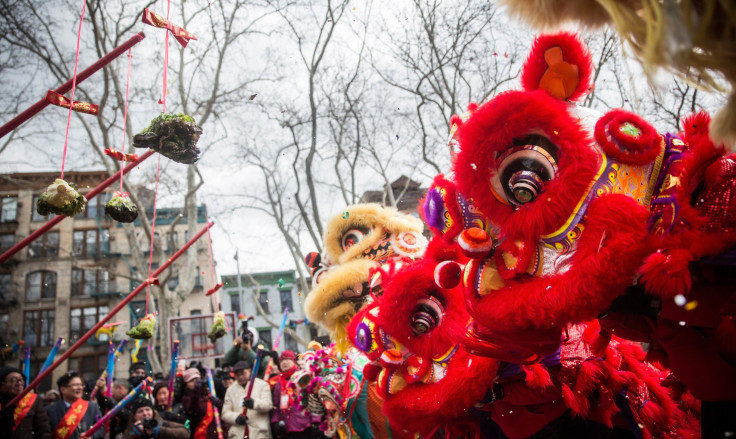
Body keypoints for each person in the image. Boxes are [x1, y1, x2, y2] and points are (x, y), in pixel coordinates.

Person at [221, 361, 272, 439]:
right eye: (237, 375)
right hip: (238, 433)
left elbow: (268, 405)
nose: (241, 377)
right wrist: (236, 418)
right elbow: (225, 413)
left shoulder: (262, 385)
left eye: (243, 373)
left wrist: (254, 403)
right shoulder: (230, 390)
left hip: (259, 432)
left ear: (249, 371)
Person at [45, 371, 104, 439]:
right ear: (63, 390)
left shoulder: (92, 407)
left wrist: (91, 437)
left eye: (81, 385)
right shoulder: (50, 410)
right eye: (75, 385)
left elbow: (101, 428)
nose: (80, 388)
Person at [0, 366, 52, 439]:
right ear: (2, 384)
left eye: (21, 379)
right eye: (13, 380)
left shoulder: (33, 400)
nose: (19, 383)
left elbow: (43, 430)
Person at [270, 351, 311, 439]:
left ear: (294, 361)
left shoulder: (303, 376)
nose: (284, 362)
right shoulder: (278, 383)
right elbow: (276, 407)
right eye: (281, 361)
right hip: (287, 428)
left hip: (304, 425)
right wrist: (276, 422)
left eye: (287, 359)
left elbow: (313, 399)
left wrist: (316, 422)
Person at [180, 369, 223, 439]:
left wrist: (220, 404)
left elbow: (221, 412)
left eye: (196, 379)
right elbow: (193, 411)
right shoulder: (186, 398)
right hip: (200, 434)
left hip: (214, 433)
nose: (195, 382)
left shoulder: (207, 394)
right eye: (191, 381)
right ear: (186, 385)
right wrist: (196, 391)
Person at [121, 397, 189, 439]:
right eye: (140, 411)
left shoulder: (161, 422)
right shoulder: (131, 429)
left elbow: (185, 433)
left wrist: (159, 431)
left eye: (147, 409)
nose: (145, 413)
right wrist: (133, 436)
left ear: (153, 412)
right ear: (135, 416)